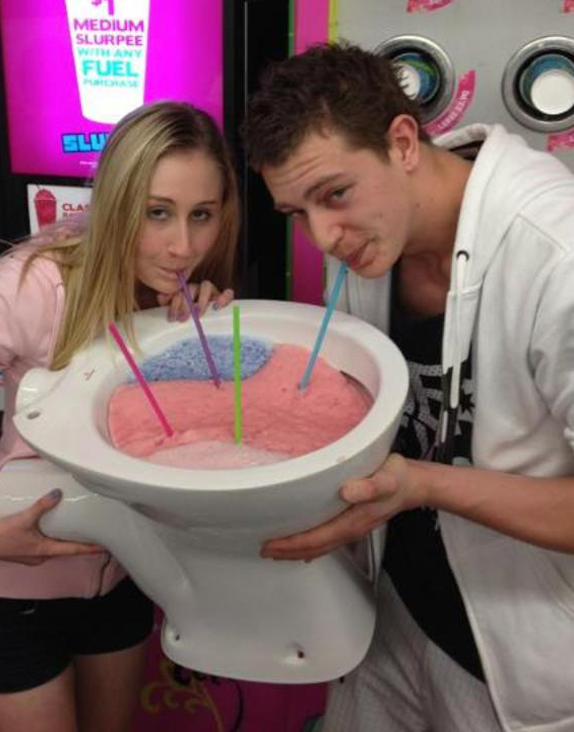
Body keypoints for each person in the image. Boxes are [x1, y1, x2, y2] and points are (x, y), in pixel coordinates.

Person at [243, 42, 574, 732]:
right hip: (389, 616)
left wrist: (422, 485)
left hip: (516, 653)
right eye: (297, 213)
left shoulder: (556, 254)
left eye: (334, 194)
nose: (323, 237)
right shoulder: (372, 243)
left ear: (401, 143)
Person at [0, 101, 239, 732]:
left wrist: (199, 337)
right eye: (156, 212)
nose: (183, 246)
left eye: (201, 215)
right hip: (10, 599)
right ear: (117, 202)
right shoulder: (34, 288)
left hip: (124, 580)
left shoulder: (180, 295)